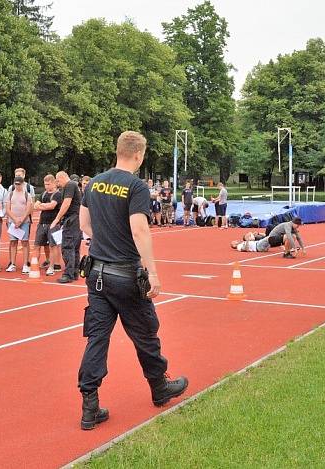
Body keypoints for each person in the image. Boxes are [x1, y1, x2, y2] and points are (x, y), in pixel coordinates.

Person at [77, 130, 187, 430]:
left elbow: (84, 223)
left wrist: (104, 240)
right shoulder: (136, 186)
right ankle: (158, 386)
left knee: (97, 338)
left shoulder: (95, 182)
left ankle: (90, 406)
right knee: (145, 333)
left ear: (117, 150)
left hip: (96, 273)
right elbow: (139, 230)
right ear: (138, 155)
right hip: (125, 273)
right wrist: (152, 272)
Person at [52, 171, 82, 283]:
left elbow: (66, 203)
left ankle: (68, 274)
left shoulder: (69, 185)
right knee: (74, 248)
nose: (57, 183)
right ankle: (74, 272)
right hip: (76, 219)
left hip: (72, 219)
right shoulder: (74, 185)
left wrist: (57, 218)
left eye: (58, 180)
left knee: (67, 246)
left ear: (63, 177)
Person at [231, 218, 305, 257]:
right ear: (234, 245)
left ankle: (287, 250)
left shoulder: (242, 243)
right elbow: (246, 249)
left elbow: (299, 238)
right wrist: (247, 240)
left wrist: (303, 248)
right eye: (234, 242)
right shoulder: (239, 246)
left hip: (260, 244)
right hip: (258, 246)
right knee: (286, 236)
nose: (236, 241)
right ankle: (287, 251)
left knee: (292, 236)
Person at [34, 174, 62, 276]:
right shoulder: (43, 194)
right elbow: (35, 205)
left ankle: (52, 267)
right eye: (45, 184)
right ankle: (34, 265)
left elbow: (52, 206)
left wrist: (41, 206)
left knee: (53, 246)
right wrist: (43, 206)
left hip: (53, 223)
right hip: (42, 223)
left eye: (48, 184)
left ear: (54, 183)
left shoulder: (58, 194)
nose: (47, 186)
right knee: (37, 245)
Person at [5, 175, 33, 273]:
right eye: (16, 184)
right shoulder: (10, 194)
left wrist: (21, 220)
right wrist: (15, 219)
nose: (17, 186)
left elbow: (28, 209)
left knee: (25, 242)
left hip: (24, 222)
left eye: (19, 184)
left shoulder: (27, 195)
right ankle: (12, 263)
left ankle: (25, 264)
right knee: (13, 242)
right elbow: (7, 209)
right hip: (12, 222)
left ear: (22, 184)